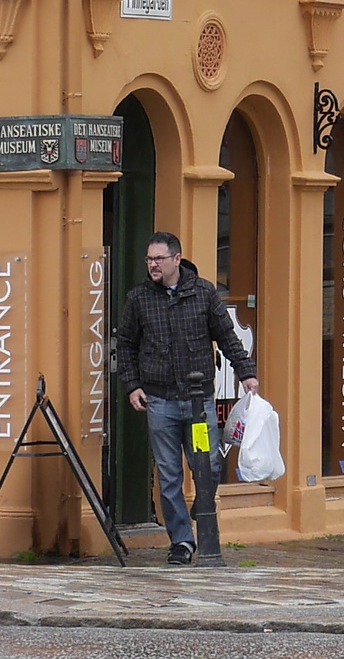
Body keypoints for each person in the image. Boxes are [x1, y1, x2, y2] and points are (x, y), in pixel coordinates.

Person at [110, 231, 257, 565]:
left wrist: (246, 373)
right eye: (149, 259)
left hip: (198, 401)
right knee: (169, 474)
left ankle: (202, 505)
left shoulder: (204, 292)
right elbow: (127, 345)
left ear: (177, 259)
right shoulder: (139, 298)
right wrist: (133, 385)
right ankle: (182, 542)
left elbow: (227, 336)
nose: (153, 265)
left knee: (210, 465)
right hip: (159, 400)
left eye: (159, 259)